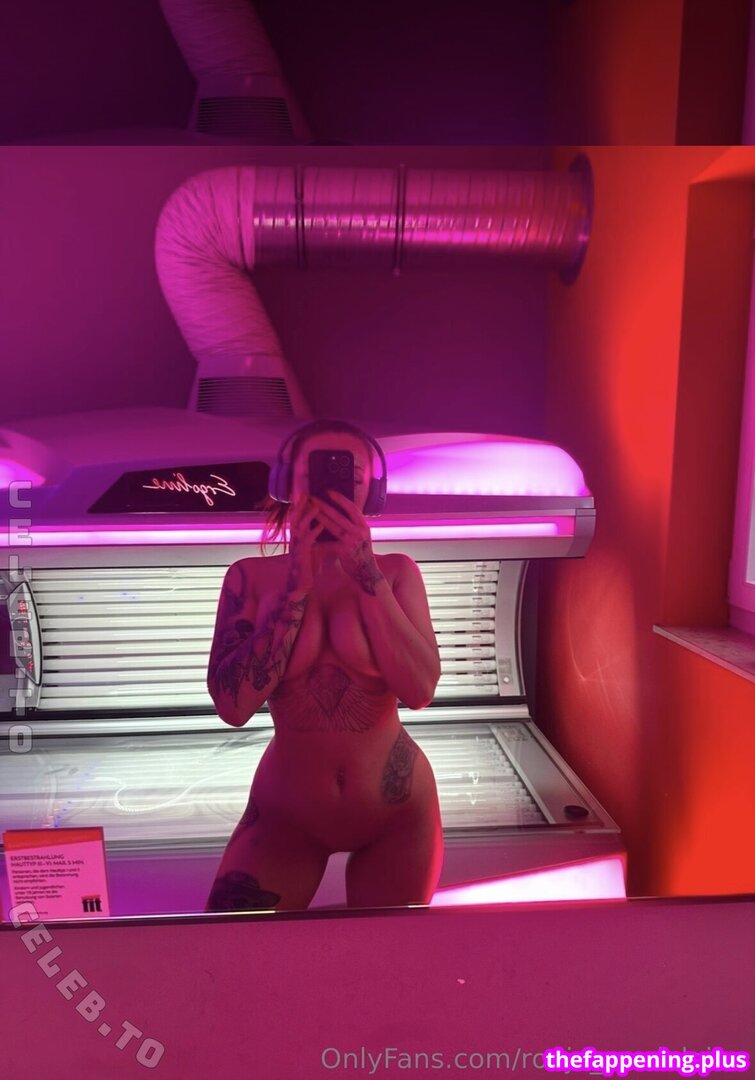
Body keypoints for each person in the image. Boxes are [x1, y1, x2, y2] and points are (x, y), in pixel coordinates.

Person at [205, 419, 444, 911]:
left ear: (370, 492)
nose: (332, 489)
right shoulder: (250, 579)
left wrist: (366, 573)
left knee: (393, 955)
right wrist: (295, 586)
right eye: (315, 474)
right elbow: (233, 706)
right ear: (286, 486)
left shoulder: (397, 572)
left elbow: (420, 689)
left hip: (398, 816)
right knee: (235, 950)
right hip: (286, 818)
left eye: (349, 476)